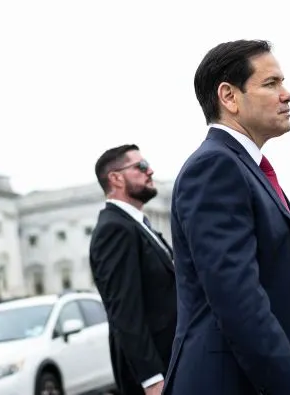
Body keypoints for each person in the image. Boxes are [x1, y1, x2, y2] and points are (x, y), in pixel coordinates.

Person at [163, 40, 290, 395]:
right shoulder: (215, 168)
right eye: (271, 84)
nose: (287, 95)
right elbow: (240, 305)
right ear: (229, 96)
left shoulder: (243, 167)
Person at [89, 145, 177, 395]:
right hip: (156, 377)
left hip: (173, 362)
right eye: (140, 166)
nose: (150, 170)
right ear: (115, 178)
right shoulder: (114, 230)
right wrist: (152, 380)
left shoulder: (138, 224)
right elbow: (125, 313)